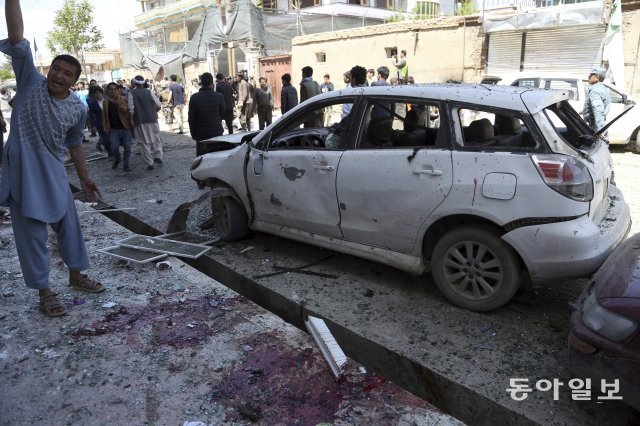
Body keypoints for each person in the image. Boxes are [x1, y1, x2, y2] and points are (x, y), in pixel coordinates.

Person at [0, 0, 104, 317]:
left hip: (54, 174)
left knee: (69, 226)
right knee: (31, 236)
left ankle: (76, 275)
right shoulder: (30, 81)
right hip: (21, 175)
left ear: (75, 82)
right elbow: (17, 36)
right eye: (56, 68)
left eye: (67, 73)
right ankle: (44, 292)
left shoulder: (78, 108)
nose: (59, 75)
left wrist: (86, 179)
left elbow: (75, 147)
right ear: (48, 70)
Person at [128, 75, 163, 170]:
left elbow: (131, 108)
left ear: (134, 83)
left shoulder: (131, 93)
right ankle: (158, 156)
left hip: (139, 120)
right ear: (143, 83)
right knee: (156, 138)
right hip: (152, 119)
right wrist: (154, 112)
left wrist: (131, 120)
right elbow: (158, 104)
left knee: (143, 142)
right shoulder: (149, 92)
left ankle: (149, 162)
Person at [188, 72, 225, 156]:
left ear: (201, 83)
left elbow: (191, 119)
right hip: (216, 132)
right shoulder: (219, 96)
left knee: (202, 160)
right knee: (217, 158)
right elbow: (223, 113)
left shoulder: (194, 98)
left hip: (201, 134)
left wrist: (193, 134)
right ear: (212, 83)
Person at [103, 82, 133, 171]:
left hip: (125, 128)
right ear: (108, 91)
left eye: (115, 89)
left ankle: (126, 164)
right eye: (111, 90)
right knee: (114, 148)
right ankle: (118, 159)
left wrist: (118, 104)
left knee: (127, 147)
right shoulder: (105, 102)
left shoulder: (123, 99)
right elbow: (104, 116)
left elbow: (126, 109)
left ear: (118, 90)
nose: (113, 91)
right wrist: (106, 128)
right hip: (113, 129)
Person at [583, 67, 611, 139]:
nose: (588, 77)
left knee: (597, 148)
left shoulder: (595, 91)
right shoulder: (604, 89)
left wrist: (600, 129)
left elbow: (598, 111)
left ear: (596, 77)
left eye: (590, 75)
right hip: (602, 123)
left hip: (596, 126)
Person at [87, 86, 110, 155]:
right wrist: (93, 126)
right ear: (94, 94)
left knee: (111, 138)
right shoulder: (92, 103)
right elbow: (91, 116)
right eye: (96, 93)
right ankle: (110, 153)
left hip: (110, 122)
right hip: (100, 124)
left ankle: (110, 150)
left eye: (99, 93)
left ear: (102, 93)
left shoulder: (107, 100)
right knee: (106, 139)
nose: (98, 94)